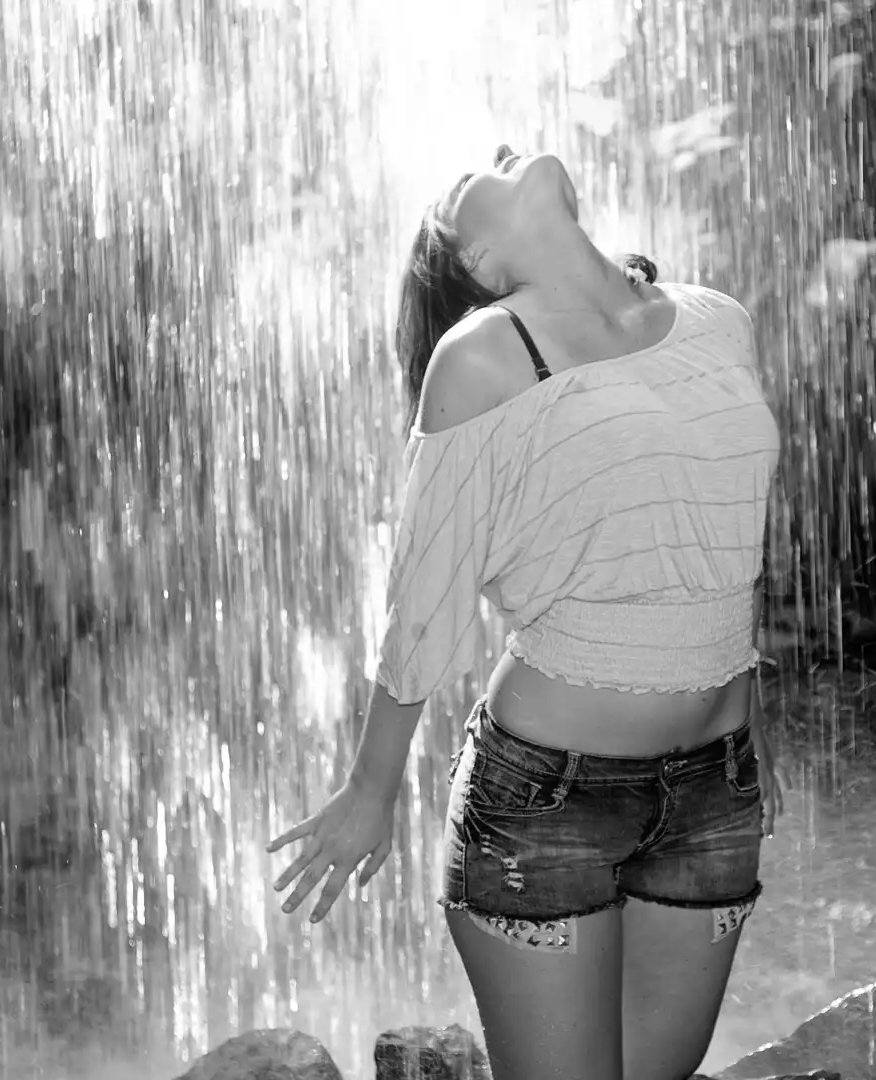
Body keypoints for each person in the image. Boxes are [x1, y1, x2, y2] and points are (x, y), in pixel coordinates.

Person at [268, 143, 783, 1080]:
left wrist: (753, 730)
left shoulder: (718, 320)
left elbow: (723, 542)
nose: (502, 152)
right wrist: (372, 791)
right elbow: (424, 593)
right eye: (472, 177)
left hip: (715, 787)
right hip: (548, 801)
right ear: (483, 267)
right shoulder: (482, 355)